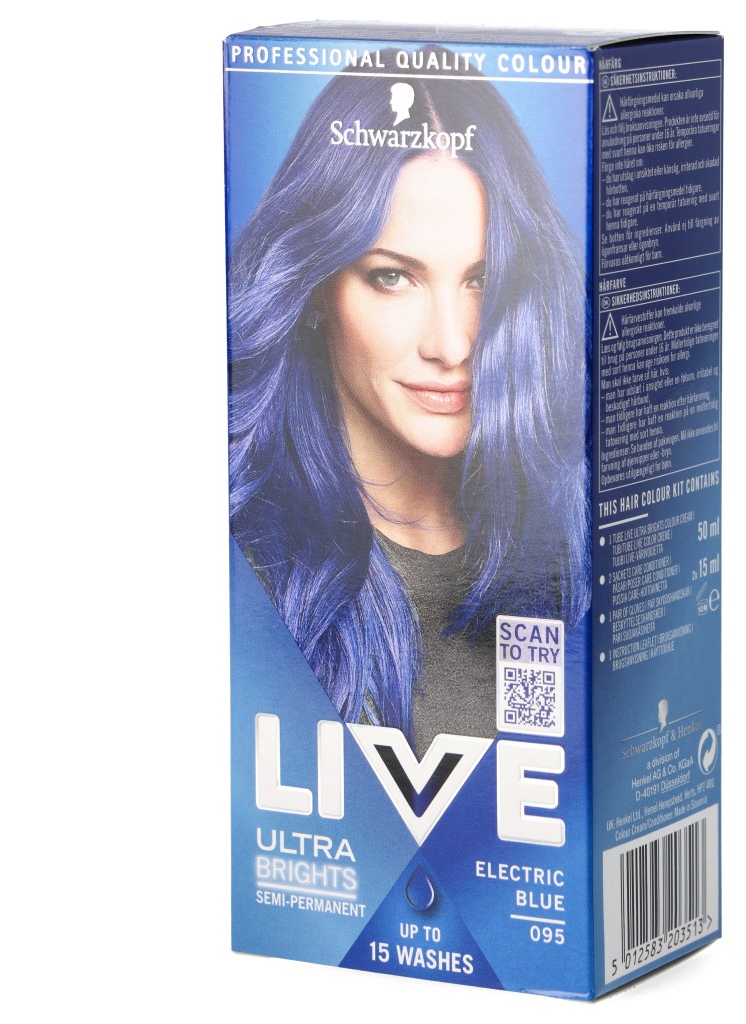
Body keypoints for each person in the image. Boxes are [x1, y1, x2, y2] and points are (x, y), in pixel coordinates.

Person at [228, 49, 590, 754]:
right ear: (316, 288)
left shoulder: (572, 546)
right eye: (393, 277)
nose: (451, 345)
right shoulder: (245, 564)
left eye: (481, 279)